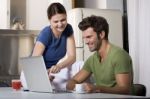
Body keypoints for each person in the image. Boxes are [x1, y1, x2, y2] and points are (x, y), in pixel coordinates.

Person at [66, 15, 133, 95]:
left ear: (101, 34)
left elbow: (125, 90)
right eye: (84, 38)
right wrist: (78, 87)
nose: (86, 42)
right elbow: (72, 82)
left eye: (89, 37)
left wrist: (97, 88)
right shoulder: (92, 59)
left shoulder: (119, 56)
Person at [32, 3, 76, 89]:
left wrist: (59, 66)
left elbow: (72, 56)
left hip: (54, 70)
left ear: (66, 17)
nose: (60, 24)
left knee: (80, 65)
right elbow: (34, 62)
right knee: (39, 84)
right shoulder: (46, 34)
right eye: (56, 21)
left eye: (63, 20)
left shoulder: (68, 29)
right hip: (36, 71)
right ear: (50, 21)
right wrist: (44, 76)